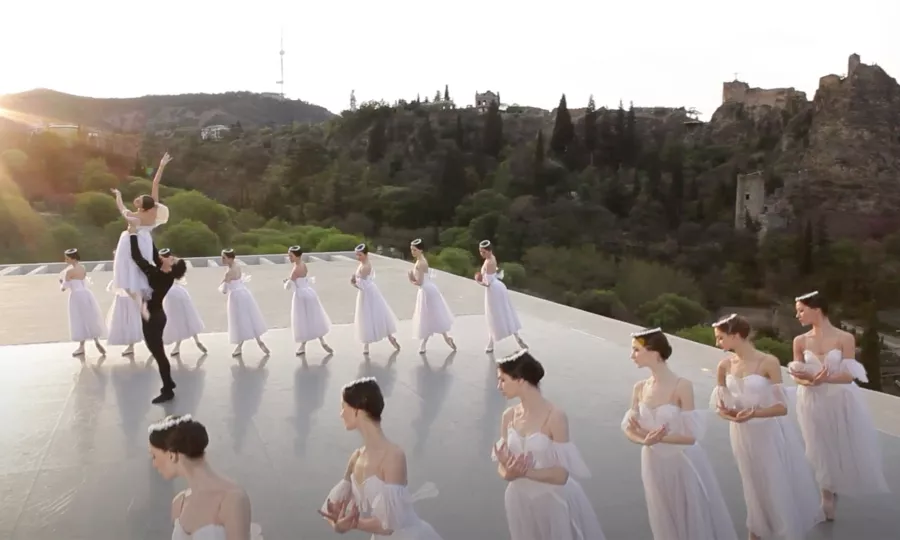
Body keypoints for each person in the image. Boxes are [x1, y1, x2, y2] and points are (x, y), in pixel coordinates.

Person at [710, 314, 823, 540]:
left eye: (721, 338)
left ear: (736, 336)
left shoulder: (767, 362)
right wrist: (727, 413)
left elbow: (781, 408)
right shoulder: (724, 365)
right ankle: (756, 530)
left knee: (773, 482)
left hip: (766, 434)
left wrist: (754, 413)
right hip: (741, 433)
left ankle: (781, 531)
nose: (717, 344)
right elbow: (720, 405)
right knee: (751, 482)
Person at [622, 327, 738, 540]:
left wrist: (657, 438)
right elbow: (630, 428)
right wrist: (644, 440)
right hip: (652, 461)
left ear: (654, 352)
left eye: (636, 350)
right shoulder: (639, 388)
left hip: (682, 461)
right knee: (662, 510)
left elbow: (691, 436)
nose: (632, 356)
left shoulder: (682, 386)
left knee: (688, 511)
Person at [788, 291, 889, 520]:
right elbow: (796, 374)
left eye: (801, 310)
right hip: (811, 398)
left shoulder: (844, 338)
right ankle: (826, 494)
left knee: (839, 442)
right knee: (818, 444)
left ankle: (835, 483)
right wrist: (808, 380)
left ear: (817, 309)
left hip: (840, 398)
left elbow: (848, 375)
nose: (798, 315)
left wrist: (826, 379)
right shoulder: (800, 341)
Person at [492, 349, 606, 540]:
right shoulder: (508, 416)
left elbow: (561, 475)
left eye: (503, 380)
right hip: (519, 499)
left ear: (520, 379)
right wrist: (508, 472)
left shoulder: (555, 417)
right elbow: (502, 468)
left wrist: (524, 472)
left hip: (552, 501)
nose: (498, 386)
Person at [320, 377, 441, 539]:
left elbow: (391, 524)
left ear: (358, 410)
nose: (341, 414)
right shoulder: (356, 457)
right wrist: (339, 524)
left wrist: (355, 524)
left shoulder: (393, 456)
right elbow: (333, 511)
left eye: (344, 407)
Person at [148, 414, 259, 540]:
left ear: (172, 455)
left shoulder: (232, 499)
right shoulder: (179, 504)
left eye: (154, 456)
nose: (154, 464)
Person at [109, 152, 172, 320]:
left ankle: (140, 304)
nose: (136, 200)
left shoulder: (135, 217)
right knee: (139, 269)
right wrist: (162, 165)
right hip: (146, 240)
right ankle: (146, 296)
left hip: (132, 239)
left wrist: (118, 196)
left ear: (143, 207)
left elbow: (122, 209)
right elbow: (156, 183)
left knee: (125, 271)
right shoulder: (153, 209)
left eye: (138, 201)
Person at [129, 223, 186, 404]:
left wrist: (132, 236)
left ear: (170, 266)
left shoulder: (157, 275)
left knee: (159, 354)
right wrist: (146, 232)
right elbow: (154, 254)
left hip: (153, 318)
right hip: (157, 315)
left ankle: (167, 389)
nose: (170, 257)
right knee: (157, 351)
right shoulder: (163, 273)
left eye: (173, 259)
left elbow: (137, 257)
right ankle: (169, 383)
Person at [476, 240, 526, 353]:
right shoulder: (491, 258)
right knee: (503, 313)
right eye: (480, 252)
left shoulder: (489, 262)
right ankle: (515, 338)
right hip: (498, 287)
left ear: (489, 251)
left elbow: (487, 283)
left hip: (493, 290)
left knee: (494, 315)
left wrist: (478, 280)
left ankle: (492, 342)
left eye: (483, 252)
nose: (481, 254)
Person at [408, 238, 456, 354]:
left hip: (426, 291)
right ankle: (444, 338)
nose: (412, 252)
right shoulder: (420, 261)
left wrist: (411, 279)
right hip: (427, 290)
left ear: (421, 250)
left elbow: (419, 282)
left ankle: (435, 340)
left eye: (414, 250)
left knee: (429, 316)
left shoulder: (421, 263)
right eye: (412, 250)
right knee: (431, 316)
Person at [351, 243, 401, 355]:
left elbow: (362, 284)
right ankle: (370, 343)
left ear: (365, 254)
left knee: (370, 315)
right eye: (357, 255)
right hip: (368, 292)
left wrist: (354, 283)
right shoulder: (364, 264)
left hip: (367, 293)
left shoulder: (365, 266)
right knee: (371, 315)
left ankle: (372, 343)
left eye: (360, 255)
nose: (358, 257)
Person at [284, 245, 333, 356]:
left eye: (291, 256)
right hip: (309, 292)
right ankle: (321, 341)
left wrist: (285, 282)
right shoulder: (304, 265)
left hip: (300, 295)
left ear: (297, 256)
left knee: (302, 320)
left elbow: (289, 286)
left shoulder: (295, 269)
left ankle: (303, 346)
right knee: (313, 317)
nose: (289, 258)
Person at [219, 249, 269, 357]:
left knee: (240, 320)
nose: (222, 259)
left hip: (236, 297)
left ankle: (239, 347)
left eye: (224, 257)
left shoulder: (229, 272)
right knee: (249, 317)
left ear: (230, 258)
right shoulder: (237, 266)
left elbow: (224, 290)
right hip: (244, 293)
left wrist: (223, 281)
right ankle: (257, 341)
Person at [159, 248, 208, 357]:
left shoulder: (165, 265)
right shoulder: (175, 261)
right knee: (186, 317)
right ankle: (195, 341)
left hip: (170, 293)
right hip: (180, 291)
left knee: (173, 320)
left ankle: (168, 346)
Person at [60, 248, 107, 357]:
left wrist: (61, 282)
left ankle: (81, 346)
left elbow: (64, 287)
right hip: (86, 294)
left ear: (72, 259)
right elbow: (84, 280)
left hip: (76, 296)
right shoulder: (83, 268)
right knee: (89, 317)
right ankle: (96, 340)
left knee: (79, 319)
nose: (65, 260)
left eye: (67, 258)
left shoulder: (69, 271)